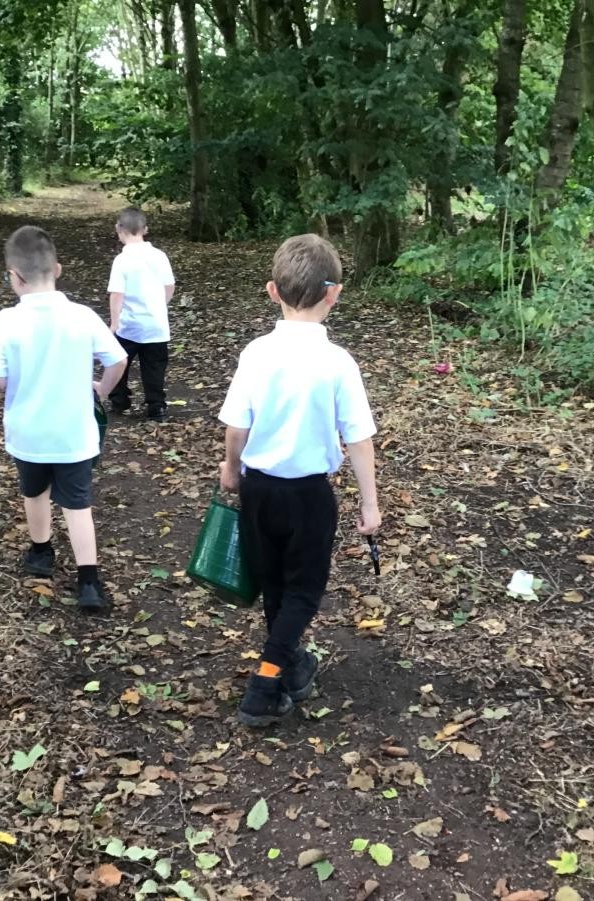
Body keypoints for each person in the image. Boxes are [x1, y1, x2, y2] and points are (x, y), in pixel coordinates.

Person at [217, 234, 381, 727]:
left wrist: (231, 468)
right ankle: (265, 682)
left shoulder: (255, 354)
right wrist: (369, 505)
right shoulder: (337, 363)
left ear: (272, 291)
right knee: (304, 591)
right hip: (309, 495)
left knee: (275, 586)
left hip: (259, 488)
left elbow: (236, 426)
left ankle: (291, 667)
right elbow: (358, 439)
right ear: (335, 293)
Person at [0, 225, 128, 612]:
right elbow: (118, 359)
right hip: (73, 433)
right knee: (78, 505)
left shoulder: (6, 321)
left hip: (28, 433)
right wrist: (101, 389)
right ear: (57, 269)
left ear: (14, 275)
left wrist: (17, 386)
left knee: (34, 492)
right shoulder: (82, 316)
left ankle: (42, 553)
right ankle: (89, 582)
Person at [106, 207, 176, 422]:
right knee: (154, 368)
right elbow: (169, 285)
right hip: (157, 326)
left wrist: (114, 323)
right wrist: (159, 305)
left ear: (119, 229)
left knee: (118, 361)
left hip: (129, 325)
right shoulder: (160, 256)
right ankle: (156, 407)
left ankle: (119, 400)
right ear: (145, 229)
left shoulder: (122, 261)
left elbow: (117, 294)